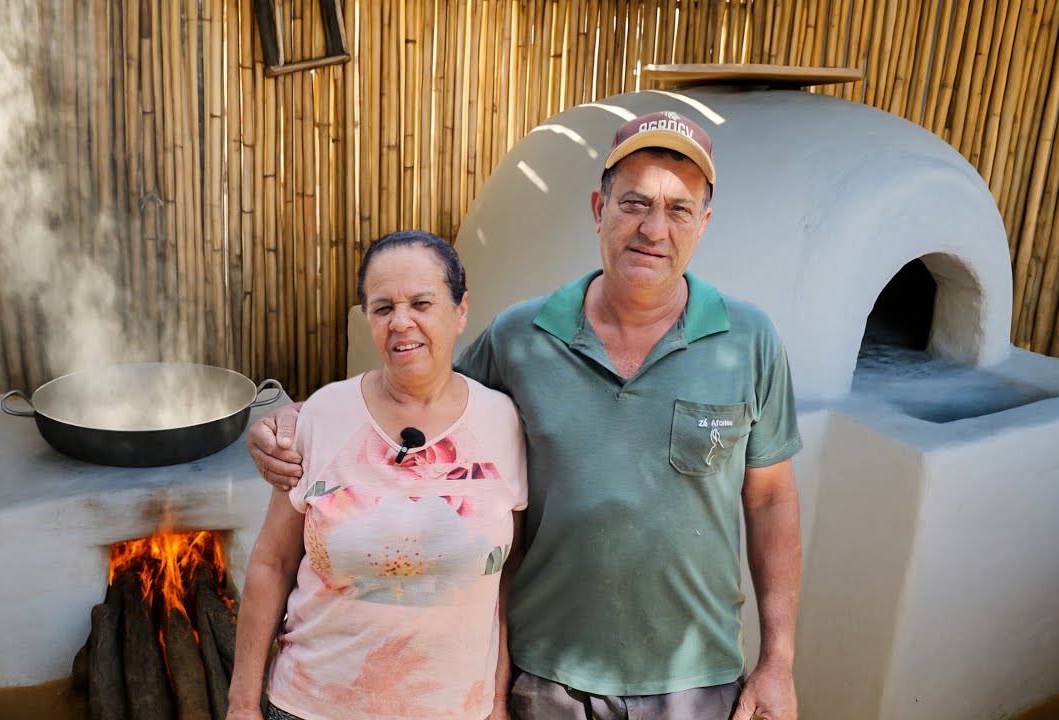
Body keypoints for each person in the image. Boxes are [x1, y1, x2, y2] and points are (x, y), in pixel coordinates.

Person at [248, 112, 802, 720]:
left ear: (704, 223)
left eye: (679, 209)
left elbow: (771, 500)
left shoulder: (747, 341)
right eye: (635, 203)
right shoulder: (522, 337)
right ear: (599, 207)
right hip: (546, 679)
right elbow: (422, 392)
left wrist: (778, 660)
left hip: (695, 677)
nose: (653, 228)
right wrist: (296, 419)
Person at [226, 230, 527, 720]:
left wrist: (496, 700)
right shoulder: (322, 416)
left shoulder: (503, 423)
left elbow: (508, 573)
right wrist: (242, 705)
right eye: (382, 307)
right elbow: (271, 564)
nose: (401, 322)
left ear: (461, 310)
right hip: (311, 706)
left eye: (421, 303)